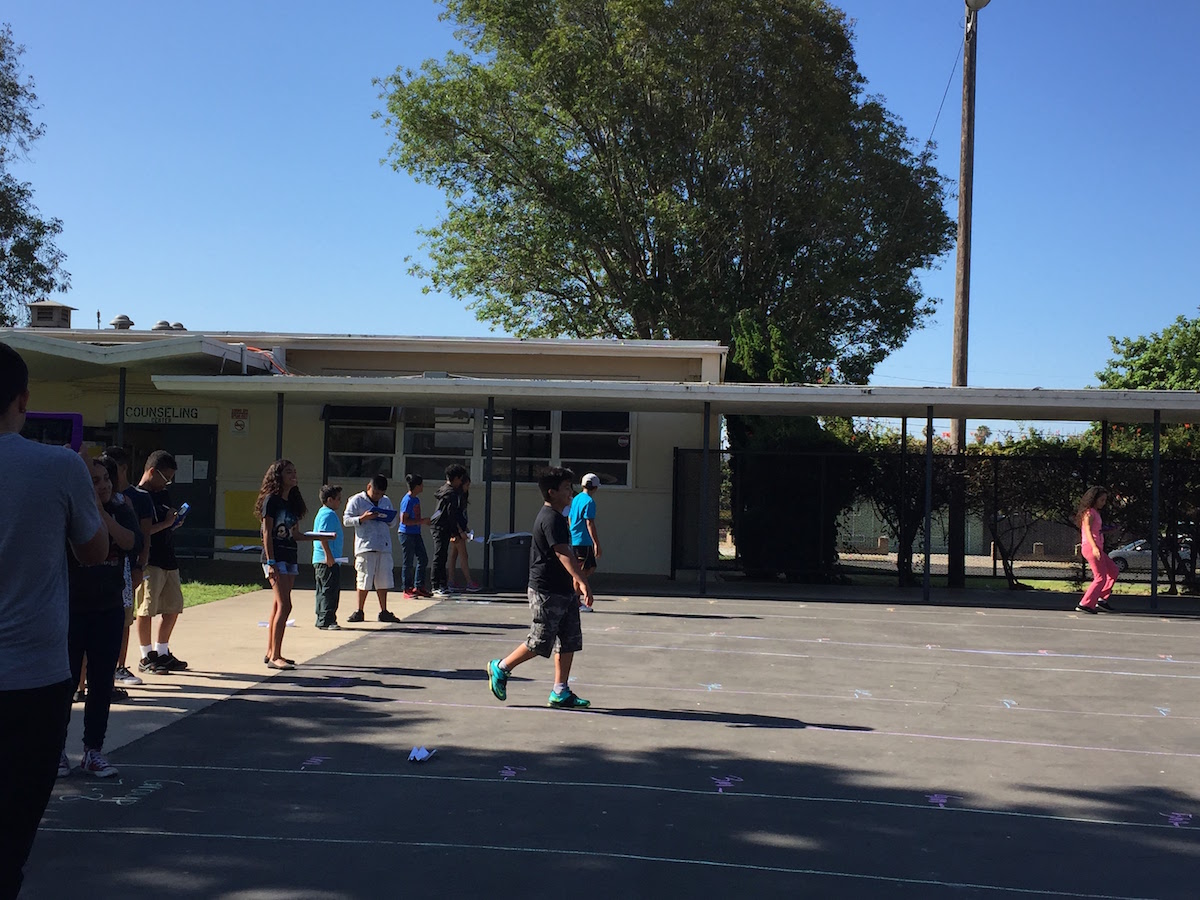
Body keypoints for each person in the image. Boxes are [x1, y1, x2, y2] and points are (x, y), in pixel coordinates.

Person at [1, 341, 108, 900]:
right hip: (32, 677)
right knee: (11, 839)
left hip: (35, 673)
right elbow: (93, 552)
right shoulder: (57, 465)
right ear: (22, 399)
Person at [486, 467, 595, 709]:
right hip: (546, 590)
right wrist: (583, 580)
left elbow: (566, 556)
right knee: (540, 641)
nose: (571, 492)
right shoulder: (550, 518)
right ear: (552, 491)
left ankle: (560, 691)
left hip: (563, 588)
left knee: (569, 640)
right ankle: (501, 667)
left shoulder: (559, 516)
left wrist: (575, 581)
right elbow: (563, 553)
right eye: (566, 488)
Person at [62, 456, 138, 779]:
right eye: (94, 480)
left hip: (107, 608)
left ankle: (93, 750)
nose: (103, 485)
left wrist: (103, 513)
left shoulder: (120, 509)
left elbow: (130, 541)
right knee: (63, 683)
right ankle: (56, 752)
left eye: (105, 478)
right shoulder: (69, 512)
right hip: (71, 609)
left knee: (102, 682)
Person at [101, 446, 153, 690]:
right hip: (91, 578)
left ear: (122, 470)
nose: (105, 482)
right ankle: (85, 680)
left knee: (122, 620)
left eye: (109, 475)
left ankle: (117, 667)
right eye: (97, 478)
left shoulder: (131, 501)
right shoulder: (86, 502)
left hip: (123, 570)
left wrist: (140, 564)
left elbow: (139, 537)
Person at [134, 450, 188, 676]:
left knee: (173, 606)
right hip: (150, 559)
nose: (168, 483)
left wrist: (174, 521)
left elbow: (166, 520)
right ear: (152, 472)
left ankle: (162, 651)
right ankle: (146, 655)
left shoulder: (162, 494)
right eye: (166, 478)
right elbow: (141, 532)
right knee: (147, 608)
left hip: (168, 558)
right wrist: (166, 525)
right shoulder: (137, 496)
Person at [257, 460, 308, 668]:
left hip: (290, 557)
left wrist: (321, 538)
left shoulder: (293, 503)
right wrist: (271, 562)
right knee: (286, 604)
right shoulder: (271, 501)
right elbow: (267, 532)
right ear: (278, 476)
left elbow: (294, 534)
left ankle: (271, 652)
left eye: (295, 472)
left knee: (279, 604)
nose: (293, 475)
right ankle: (276, 656)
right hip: (275, 558)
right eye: (289, 472)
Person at [343, 474, 401, 623]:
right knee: (364, 578)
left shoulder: (385, 501)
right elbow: (346, 520)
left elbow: (393, 522)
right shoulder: (356, 500)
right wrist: (362, 518)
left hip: (383, 545)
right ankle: (359, 610)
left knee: (384, 579)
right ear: (369, 487)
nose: (377, 496)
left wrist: (388, 518)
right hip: (366, 545)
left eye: (380, 494)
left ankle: (384, 610)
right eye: (375, 493)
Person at [1077, 485, 1118, 614]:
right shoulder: (1089, 513)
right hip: (1091, 547)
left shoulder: (1096, 513)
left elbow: (1097, 529)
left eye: (1105, 500)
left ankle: (1101, 598)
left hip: (1098, 547)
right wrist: (1094, 547)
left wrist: (1109, 529)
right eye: (1101, 500)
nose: (1103, 503)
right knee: (1100, 577)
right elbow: (1087, 531)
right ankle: (1085, 603)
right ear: (1094, 499)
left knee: (1113, 571)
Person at [431, 463, 469, 597]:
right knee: (440, 556)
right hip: (441, 527)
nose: (461, 482)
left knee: (443, 556)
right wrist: (456, 533)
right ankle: (436, 585)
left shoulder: (444, 489)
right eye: (460, 479)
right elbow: (450, 515)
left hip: (440, 526)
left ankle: (442, 584)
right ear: (456, 478)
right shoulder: (451, 494)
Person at [312, 484, 345, 630]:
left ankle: (322, 617)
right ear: (330, 500)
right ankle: (327, 619)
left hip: (322, 559)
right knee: (329, 590)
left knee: (323, 589)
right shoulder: (328, 514)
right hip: (327, 560)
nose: (340, 502)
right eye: (338, 499)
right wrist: (329, 555)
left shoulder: (322, 513)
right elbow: (322, 536)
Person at [569, 472, 602, 608]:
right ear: (595, 487)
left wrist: (572, 531)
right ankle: (574, 600)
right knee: (581, 571)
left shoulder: (576, 499)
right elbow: (590, 523)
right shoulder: (589, 501)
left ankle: (574, 597)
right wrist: (596, 543)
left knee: (589, 567)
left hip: (575, 539)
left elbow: (570, 517)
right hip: (583, 541)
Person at [399, 474, 432, 600]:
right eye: (421, 484)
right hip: (406, 534)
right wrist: (422, 521)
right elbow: (404, 520)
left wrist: (422, 522)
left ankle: (419, 586)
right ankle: (406, 588)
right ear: (417, 486)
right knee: (408, 562)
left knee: (423, 558)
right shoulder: (407, 500)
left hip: (416, 533)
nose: (423, 487)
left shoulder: (416, 500)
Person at [448, 474, 481, 593]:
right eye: (467, 485)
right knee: (463, 555)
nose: (468, 487)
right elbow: (454, 516)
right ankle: (469, 582)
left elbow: (462, 515)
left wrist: (466, 528)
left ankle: (451, 581)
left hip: (460, 529)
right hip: (456, 531)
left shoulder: (463, 497)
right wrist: (460, 531)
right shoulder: (455, 497)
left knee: (453, 555)